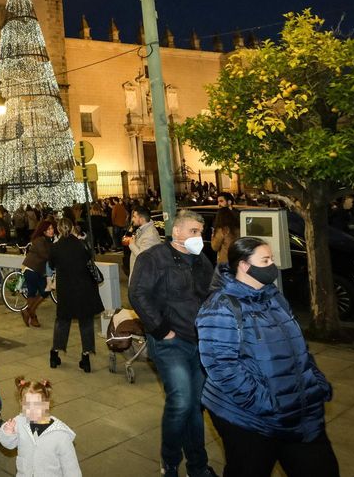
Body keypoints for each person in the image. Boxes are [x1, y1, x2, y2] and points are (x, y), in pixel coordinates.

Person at [197, 237, 338, 476]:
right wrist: (265, 403)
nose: (273, 265)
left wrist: (315, 382)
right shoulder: (221, 306)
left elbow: (297, 347)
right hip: (250, 418)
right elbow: (221, 366)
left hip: (299, 411)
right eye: (266, 260)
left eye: (272, 258)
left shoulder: (274, 297)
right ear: (244, 265)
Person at [128, 209, 218, 477]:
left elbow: (211, 293)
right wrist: (162, 330)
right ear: (176, 231)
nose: (198, 237)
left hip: (199, 342)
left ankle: (197, 466)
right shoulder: (153, 258)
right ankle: (169, 463)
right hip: (170, 343)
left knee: (195, 405)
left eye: (201, 232)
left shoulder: (201, 261)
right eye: (193, 231)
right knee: (180, 401)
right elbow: (138, 293)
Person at [47, 222, 105, 372]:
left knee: (62, 320)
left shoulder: (55, 247)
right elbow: (90, 258)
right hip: (84, 288)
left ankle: (55, 354)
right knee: (86, 321)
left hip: (66, 289)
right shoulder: (81, 245)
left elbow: (52, 265)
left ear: (59, 230)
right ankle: (86, 357)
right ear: (72, 228)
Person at [0, 378, 81, 477]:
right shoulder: (20, 422)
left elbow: (71, 468)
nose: (32, 410)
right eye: (27, 406)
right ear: (22, 405)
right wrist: (7, 432)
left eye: (37, 405)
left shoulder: (60, 434)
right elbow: (8, 444)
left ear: (46, 404)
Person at [20, 219, 56, 328]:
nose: (51, 230)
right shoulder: (39, 240)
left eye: (52, 228)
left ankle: (30, 314)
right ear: (43, 231)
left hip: (37, 271)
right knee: (41, 291)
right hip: (31, 269)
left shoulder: (48, 240)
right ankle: (31, 314)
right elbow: (45, 255)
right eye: (48, 229)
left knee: (38, 292)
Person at [122, 206, 161, 276]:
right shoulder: (141, 230)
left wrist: (132, 244)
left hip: (144, 277)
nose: (132, 219)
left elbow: (143, 258)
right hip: (140, 275)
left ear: (141, 219)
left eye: (134, 217)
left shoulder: (150, 235)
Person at [211, 192, 238, 264]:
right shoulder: (238, 214)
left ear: (229, 202)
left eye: (221, 201)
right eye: (218, 202)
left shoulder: (237, 216)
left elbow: (215, 246)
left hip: (227, 261)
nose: (219, 204)